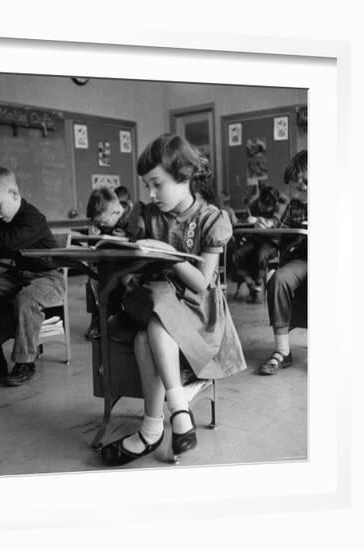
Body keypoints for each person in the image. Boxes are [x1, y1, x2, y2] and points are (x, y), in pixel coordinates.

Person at [100, 134, 247, 466]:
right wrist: (127, 268)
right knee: (156, 301)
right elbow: (132, 267)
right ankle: (179, 408)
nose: (151, 194)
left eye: (157, 184)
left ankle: (151, 431)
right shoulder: (146, 214)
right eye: (147, 186)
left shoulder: (212, 219)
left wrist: (170, 255)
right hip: (151, 299)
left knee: (145, 337)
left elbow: (200, 283)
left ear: (184, 176)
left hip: (197, 311)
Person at [0, 166, 65, 386]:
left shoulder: (33, 218)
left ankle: (26, 361)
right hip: (19, 276)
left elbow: (9, 241)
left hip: (48, 278)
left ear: (14, 195)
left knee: (26, 298)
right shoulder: (2, 218)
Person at [259, 150, 308, 375]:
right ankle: (282, 350)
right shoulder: (295, 204)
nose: (293, 193)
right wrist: (266, 225)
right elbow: (280, 228)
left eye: (298, 188)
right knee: (278, 279)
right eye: (291, 187)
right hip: (302, 259)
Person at [84, 187, 143, 339]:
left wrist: (130, 236)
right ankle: (102, 319)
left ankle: (108, 319)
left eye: (103, 222)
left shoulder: (135, 215)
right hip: (114, 266)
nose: (102, 225)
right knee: (97, 280)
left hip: (136, 269)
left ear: (116, 212)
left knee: (115, 283)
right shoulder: (112, 218)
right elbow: (106, 228)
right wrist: (98, 232)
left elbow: (143, 242)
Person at [231, 185, 287, 302]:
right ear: (259, 200)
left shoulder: (280, 206)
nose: (262, 209)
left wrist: (260, 220)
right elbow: (248, 221)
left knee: (261, 255)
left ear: (274, 205)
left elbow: (275, 222)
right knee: (237, 255)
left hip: (272, 242)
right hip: (255, 239)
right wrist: (249, 220)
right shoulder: (253, 204)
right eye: (262, 205)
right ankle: (251, 284)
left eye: (267, 208)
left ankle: (258, 283)